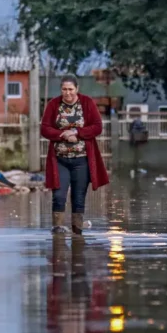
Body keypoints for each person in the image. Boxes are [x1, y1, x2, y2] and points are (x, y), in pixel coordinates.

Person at [41, 74, 110, 234]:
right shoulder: (53, 105)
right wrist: (62, 134)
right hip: (60, 160)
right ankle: (58, 228)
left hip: (82, 160)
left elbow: (97, 127)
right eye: (64, 89)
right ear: (61, 90)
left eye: (70, 89)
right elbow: (45, 128)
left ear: (77, 89)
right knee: (59, 195)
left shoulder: (87, 103)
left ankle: (77, 229)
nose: (67, 93)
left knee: (78, 197)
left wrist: (77, 132)